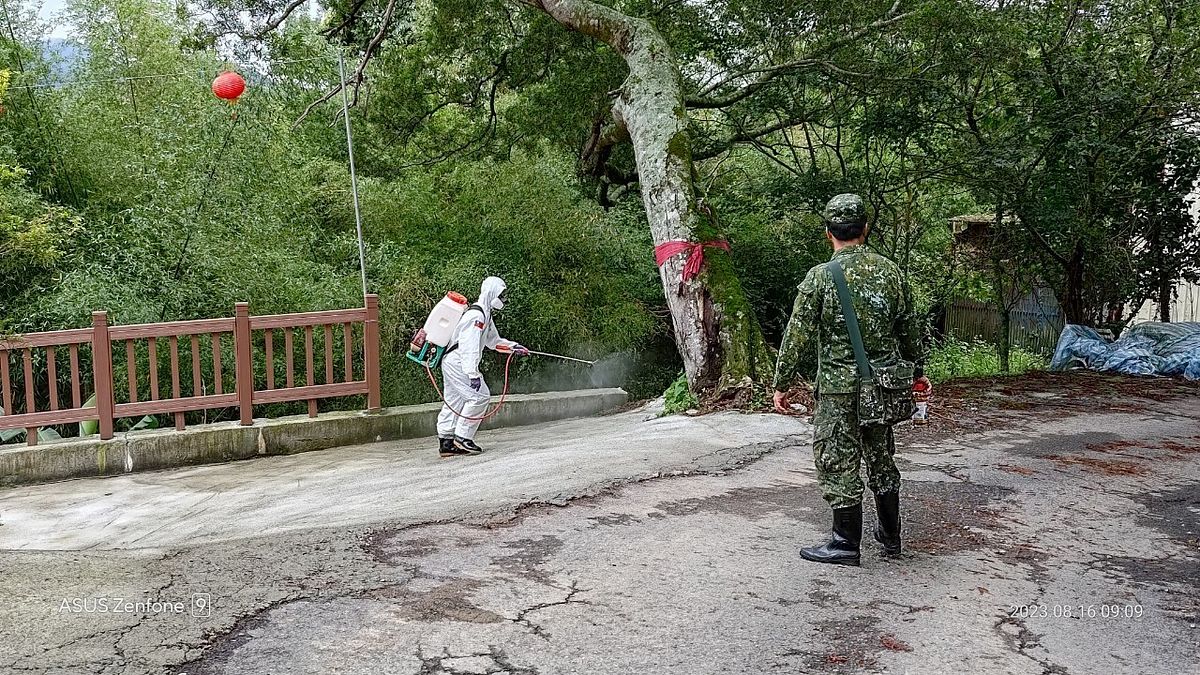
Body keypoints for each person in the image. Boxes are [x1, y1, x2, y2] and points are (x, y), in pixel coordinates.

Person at [772, 194, 927, 566]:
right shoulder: (892, 272)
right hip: (884, 387)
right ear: (865, 229)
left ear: (829, 233)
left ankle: (845, 543)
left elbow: (797, 334)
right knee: (880, 456)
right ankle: (891, 536)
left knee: (837, 459)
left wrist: (782, 382)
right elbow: (909, 329)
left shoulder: (821, 277)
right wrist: (917, 373)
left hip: (839, 389)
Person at [437, 276, 528, 457]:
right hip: (459, 362)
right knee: (479, 397)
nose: (503, 299)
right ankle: (462, 438)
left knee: (455, 400)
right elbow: (469, 346)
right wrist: (473, 374)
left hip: (453, 362)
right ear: (491, 293)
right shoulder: (476, 316)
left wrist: (513, 347)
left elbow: (493, 341)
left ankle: (446, 442)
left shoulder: (484, 313)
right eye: (501, 295)